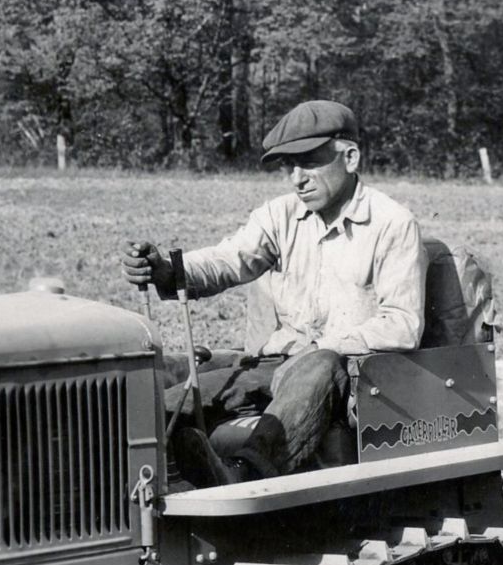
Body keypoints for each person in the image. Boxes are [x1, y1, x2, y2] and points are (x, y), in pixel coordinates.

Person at [122, 100, 425, 482]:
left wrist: (324, 347)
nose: (296, 178)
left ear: (350, 158)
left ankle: (245, 476)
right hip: (278, 366)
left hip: (350, 377)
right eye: (289, 166)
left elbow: (402, 324)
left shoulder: (392, 224)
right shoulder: (280, 216)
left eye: (310, 162)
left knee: (319, 363)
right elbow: (229, 259)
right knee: (164, 403)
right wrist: (166, 270)